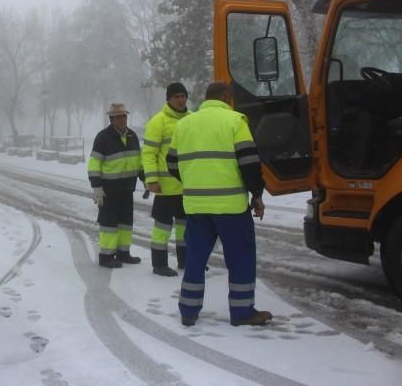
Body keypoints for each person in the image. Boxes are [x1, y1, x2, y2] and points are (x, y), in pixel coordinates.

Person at [166, 81, 273, 327]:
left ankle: (188, 311)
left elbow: (171, 164)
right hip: (230, 207)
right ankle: (242, 312)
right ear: (226, 97)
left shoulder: (184, 124)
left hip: (196, 206)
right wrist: (256, 194)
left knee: (194, 258)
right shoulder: (235, 121)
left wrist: (194, 181)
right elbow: (249, 163)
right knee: (240, 258)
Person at [88, 103, 146, 268]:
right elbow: (94, 163)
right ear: (111, 119)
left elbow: (139, 162)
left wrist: (146, 180)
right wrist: (97, 187)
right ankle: (106, 257)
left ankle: (123, 253)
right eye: (118, 117)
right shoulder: (103, 137)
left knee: (125, 224)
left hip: (127, 189)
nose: (122, 119)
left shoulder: (132, 136)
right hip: (108, 190)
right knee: (109, 225)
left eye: (124, 116)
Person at [142, 82, 190, 277]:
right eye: (176, 96)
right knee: (162, 229)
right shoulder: (157, 122)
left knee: (185, 228)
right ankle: (159, 264)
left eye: (183, 96)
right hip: (164, 188)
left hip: (186, 187)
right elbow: (148, 154)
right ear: (168, 99)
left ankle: (185, 261)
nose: (180, 100)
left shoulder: (192, 119)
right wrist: (152, 180)